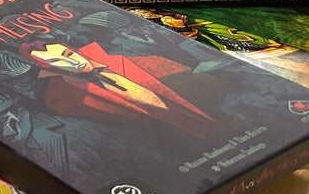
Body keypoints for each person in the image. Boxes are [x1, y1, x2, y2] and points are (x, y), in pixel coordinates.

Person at [20, 40, 216, 137]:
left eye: (69, 54)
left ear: (75, 49)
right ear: (46, 67)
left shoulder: (141, 60)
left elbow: (204, 82)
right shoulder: (60, 99)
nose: (74, 63)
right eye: (56, 61)